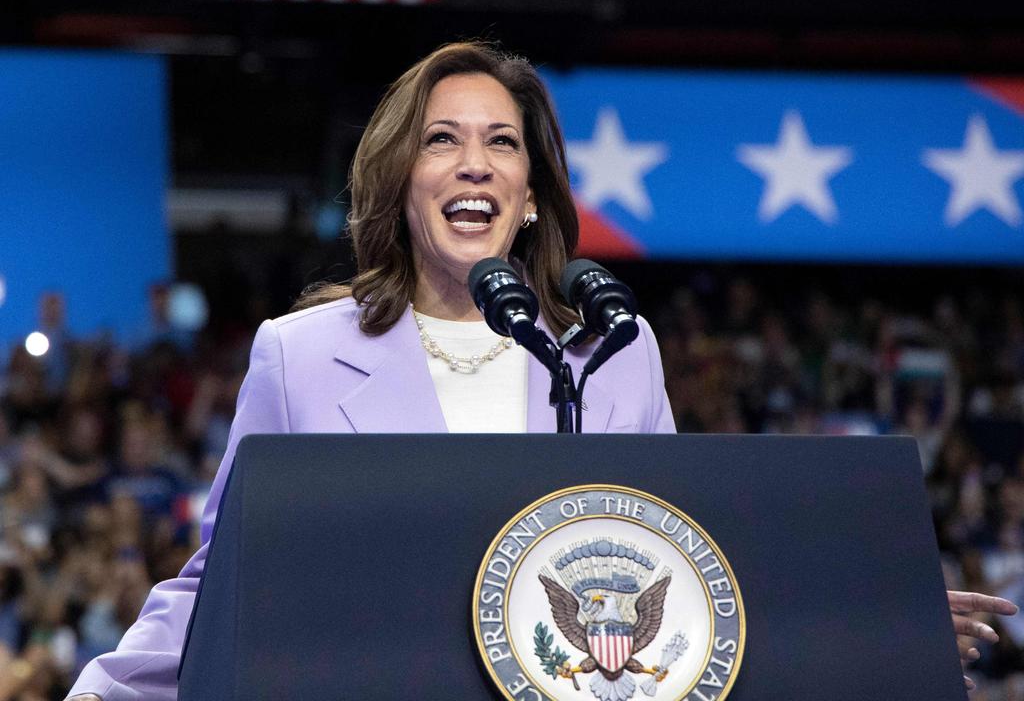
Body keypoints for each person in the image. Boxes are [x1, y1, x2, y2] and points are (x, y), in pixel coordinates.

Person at [66, 42, 1014, 699]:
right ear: (402, 182)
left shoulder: (611, 351)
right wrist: (107, 690)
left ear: (526, 199)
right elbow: (218, 578)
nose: (474, 164)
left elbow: (684, 566)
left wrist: (875, 606)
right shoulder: (301, 355)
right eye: (443, 139)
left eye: (501, 143)